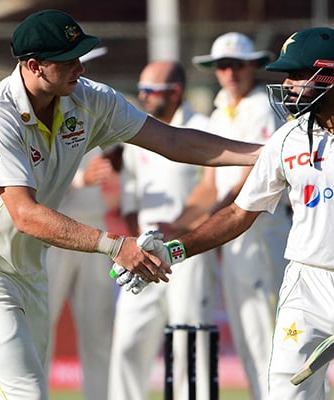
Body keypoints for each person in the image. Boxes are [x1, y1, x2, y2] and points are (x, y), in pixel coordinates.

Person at [0, 10, 262, 399]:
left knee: (16, 392)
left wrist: (266, 155)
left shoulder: (90, 100)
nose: (80, 67)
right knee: (23, 393)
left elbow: (173, 142)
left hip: (30, 268)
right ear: (34, 66)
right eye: (68, 60)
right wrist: (117, 246)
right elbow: (25, 214)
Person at [119, 26, 334, 399]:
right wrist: (174, 250)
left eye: (297, 75)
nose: (287, 84)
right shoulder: (287, 139)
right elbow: (238, 214)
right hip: (307, 288)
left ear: (332, 75)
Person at [184, 32, 288, 400]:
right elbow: (210, 183)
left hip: (261, 232)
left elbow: (254, 176)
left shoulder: (263, 107)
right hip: (231, 234)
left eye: (237, 65)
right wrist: (178, 227)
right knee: (248, 331)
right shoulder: (217, 111)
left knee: (266, 329)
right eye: (222, 66)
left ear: (252, 67)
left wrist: (212, 220)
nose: (229, 73)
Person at [108, 60, 218, 400]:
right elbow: (129, 202)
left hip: (188, 252)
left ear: (176, 92)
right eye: (141, 89)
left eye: (149, 91)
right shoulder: (136, 134)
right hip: (142, 255)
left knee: (189, 340)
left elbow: (213, 191)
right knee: (128, 342)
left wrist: (178, 228)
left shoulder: (202, 127)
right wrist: (136, 249)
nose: (141, 96)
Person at [43, 48, 118, 400]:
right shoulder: (47, 112)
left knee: (99, 333)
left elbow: (119, 179)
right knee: (40, 331)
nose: (85, 73)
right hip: (56, 233)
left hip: (97, 236)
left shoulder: (102, 111)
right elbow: (34, 188)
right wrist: (79, 182)